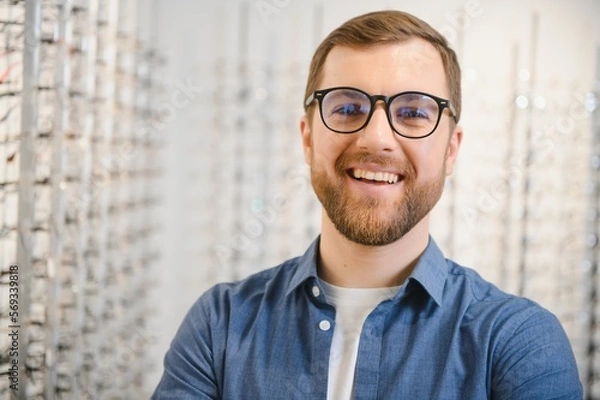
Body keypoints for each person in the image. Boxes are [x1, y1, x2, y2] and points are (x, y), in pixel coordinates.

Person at [152, 10, 583, 399]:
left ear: (452, 149)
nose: (376, 138)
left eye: (414, 113)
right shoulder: (221, 325)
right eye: (347, 107)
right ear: (307, 138)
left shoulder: (516, 342)